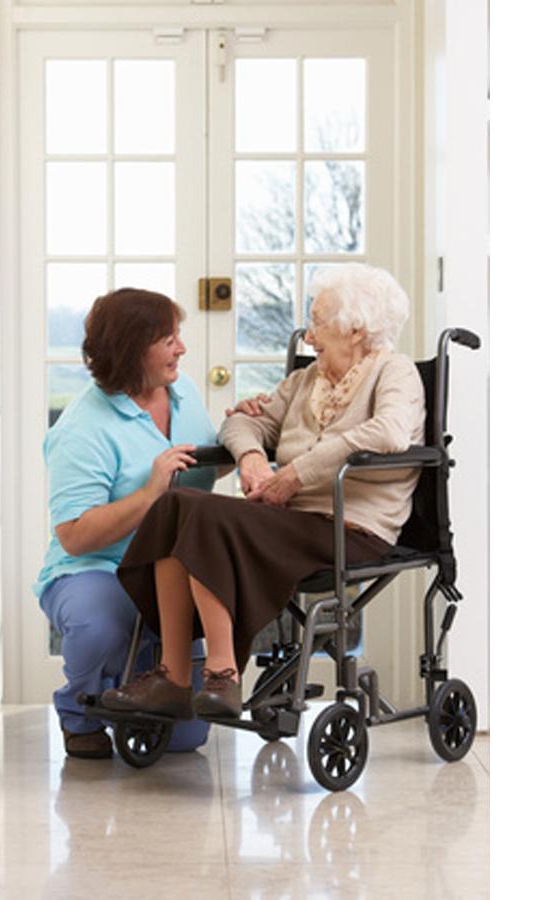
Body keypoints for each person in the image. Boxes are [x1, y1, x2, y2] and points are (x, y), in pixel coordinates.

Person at [102, 263, 425, 719]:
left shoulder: (395, 373)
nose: (309, 336)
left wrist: (294, 475)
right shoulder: (305, 381)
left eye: (318, 321)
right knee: (176, 505)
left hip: (352, 527)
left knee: (206, 516)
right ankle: (174, 677)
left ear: (355, 329)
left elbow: (390, 432)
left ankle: (221, 674)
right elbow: (241, 421)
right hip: (292, 523)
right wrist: (253, 458)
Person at [33, 288, 218, 759]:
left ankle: (138, 677)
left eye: (179, 336)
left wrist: (246, 438)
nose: (182, 348)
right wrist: (148, 492)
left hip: (173, 563)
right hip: (99, 568)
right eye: (169, 339)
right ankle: (81, 713)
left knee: (186, 739)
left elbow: (202, 472)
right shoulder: (82, 428)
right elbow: (75, 536)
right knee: (101, 624)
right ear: (133, 349)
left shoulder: (185, 394)